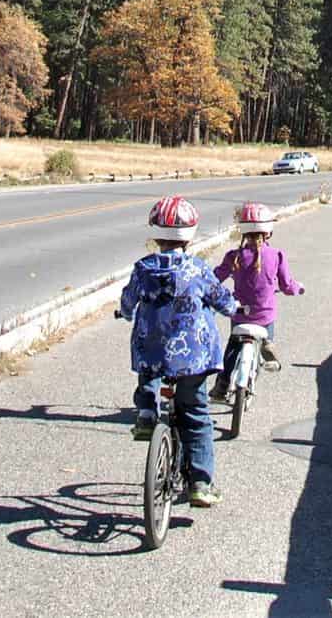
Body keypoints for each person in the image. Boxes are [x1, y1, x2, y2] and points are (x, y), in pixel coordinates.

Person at [119, 195, 235, 507]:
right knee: (196, 416)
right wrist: (234, 306)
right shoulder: (197, 270)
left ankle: (146, 412)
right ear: (191, 234)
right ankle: (200, 483)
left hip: (152, 351)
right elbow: (222, 300)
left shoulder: (143, 269)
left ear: (155, 234)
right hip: (192, 358)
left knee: (149, 371)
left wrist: (126, 312)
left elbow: (128, 301)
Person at [210, 201, 304, 400]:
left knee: (233, 346)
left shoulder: (233, 257)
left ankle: (223, 383)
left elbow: (214, 278)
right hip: (264, 315)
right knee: (267, 321)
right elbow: (287, 285)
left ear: (242, 230)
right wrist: (298, 289)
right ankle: (268, 343)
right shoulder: (277, 255)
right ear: (268, 231)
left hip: (240, 314)